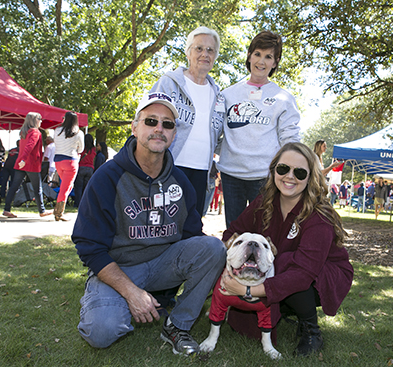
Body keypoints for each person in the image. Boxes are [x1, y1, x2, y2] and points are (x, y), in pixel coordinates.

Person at [72, 92, 226, 355]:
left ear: (174, 133)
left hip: (162, 265)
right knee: (102, 331)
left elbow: (191, 237)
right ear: (134, 127)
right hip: (119, 267)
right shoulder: (107, 177)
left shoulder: (180, 181)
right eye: (151, 121)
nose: (159, 129)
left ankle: (177, 325)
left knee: (213, 248)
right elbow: (89, 246)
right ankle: (108, 299)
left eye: (167, 124)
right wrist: (131, 292)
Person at [219, 142, 353, 357]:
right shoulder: (263, 202)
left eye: (300, 172)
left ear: (310, 177)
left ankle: (311, 330)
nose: (290, 176)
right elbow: (232, 234)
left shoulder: (319, 216)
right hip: (278, 270)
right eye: (283, 169)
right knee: (242, 325)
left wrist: (247, 291)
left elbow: (303, 273)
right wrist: (235, 262)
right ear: (273, 170)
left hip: (322, 276)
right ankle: (286, 308)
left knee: (283, 262)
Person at [217, 30, 301, 228]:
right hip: (231, 176)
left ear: (275, 62)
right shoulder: (227, 94)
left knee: (265, 233)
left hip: (265, 178)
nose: (261, 61)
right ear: (249, 56)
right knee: (235, 232)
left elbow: (290, 141)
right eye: (257, 54)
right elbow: (216, 133)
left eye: (268, 56)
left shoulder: (283, 98)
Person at [148, 26, 224, 217]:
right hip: (170, 167)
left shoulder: (219, 95)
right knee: (163, 222)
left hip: (202, 172)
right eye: (199, 48)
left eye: (210, 50)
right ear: (188, 52)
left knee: (192, 226)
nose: (204, 54)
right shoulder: (169, 83)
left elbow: (221, 136)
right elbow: (148, 120)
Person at [3, 113, 53, 219]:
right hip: (31, 164)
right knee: (37, 188)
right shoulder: (35, 132)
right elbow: (30, 146)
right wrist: (24, 159)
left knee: (14, 187)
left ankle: (6, 209)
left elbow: (25, 147)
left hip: (21, 164)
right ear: (34, 120)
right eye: (39, 119)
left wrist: (22, 160)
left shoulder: (24, 132)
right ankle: (42, 211)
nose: (41, 121)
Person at [53, 111, 84, 221]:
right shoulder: (78, 133)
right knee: (66, 188)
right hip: (71, 161)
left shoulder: (57, 131)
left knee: (67, 186)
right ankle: (59, 212)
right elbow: (81, 149)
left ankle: (58, 209)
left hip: (58, 161)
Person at [74, 134, 96, 208]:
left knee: (78, 187)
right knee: (86, 187)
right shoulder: (93, 149)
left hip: (81, 167)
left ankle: (77, 203)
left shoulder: (82, 148)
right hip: (90, 168)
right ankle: (85, 203)